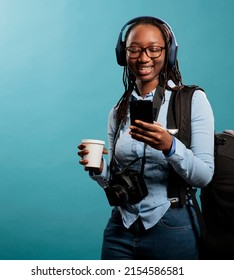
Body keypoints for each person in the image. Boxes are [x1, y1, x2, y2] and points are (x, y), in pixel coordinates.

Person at [77, 16, 214, 260]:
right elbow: (115, 180)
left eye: (154, 49)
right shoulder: (118, 111)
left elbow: (203, 177)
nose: (143, 58)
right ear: (122, 54)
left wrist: (171, 147)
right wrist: (99, 168)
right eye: (134, 49)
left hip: (173, 225)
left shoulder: (192, 101)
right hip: (121, 226)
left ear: (169, 53)